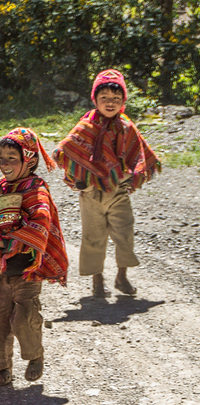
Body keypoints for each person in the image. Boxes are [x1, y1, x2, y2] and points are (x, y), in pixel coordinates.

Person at [0, 128, 68, 386]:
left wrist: (5, 240)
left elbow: (41, 225)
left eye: (12, 158)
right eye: (2, 157)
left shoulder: (37, 190)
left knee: (25, 319)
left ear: (30, 159)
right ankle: (2, 368)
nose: (5, 163)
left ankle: (35, 356)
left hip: (26, 272)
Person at [53, 70, 161, 298]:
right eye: (104, 98)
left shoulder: (126, 126)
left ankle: (121, 276)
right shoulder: (86, 125)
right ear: (95, 99)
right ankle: (97, 280)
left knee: (125, 234)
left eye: (116, 99)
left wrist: (134, 174)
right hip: (91, 193)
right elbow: (67, 151)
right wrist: (77, 179)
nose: (110, 103)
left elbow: (139, 153)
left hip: (119, 191)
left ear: (123, 101)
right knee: (93, 237)